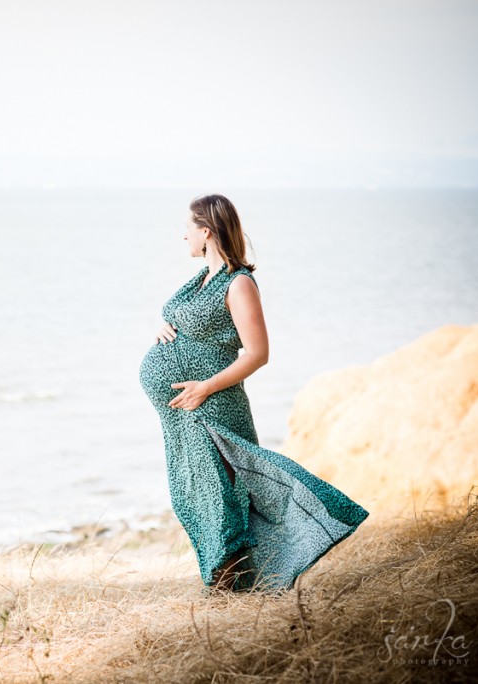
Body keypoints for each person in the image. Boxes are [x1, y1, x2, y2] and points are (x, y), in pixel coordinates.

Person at [138, 194, 369, 594]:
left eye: (188, 229)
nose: (183, 237)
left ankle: (227, 591)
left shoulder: (239, 282)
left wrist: (205, 386)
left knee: (223, 501)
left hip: (212, 407)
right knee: (196, 498)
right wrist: (162, 331)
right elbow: (188, 324)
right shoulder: (201, 280)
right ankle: (234, 586)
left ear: (206, 232)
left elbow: (258, 353)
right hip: (183, 413)